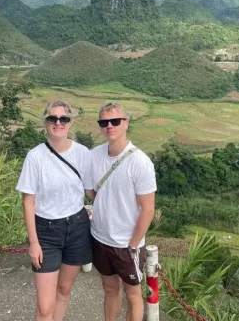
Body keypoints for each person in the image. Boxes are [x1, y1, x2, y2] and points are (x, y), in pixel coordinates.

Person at [15, 100, 93, 321]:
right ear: (45, 123)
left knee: (64, 291)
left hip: (77, 227)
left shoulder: (82, 153)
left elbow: (89, 190)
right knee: (45, 305)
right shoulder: (36, 156)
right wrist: (34, 242)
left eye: (63, 119)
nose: (58, 123)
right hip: (46, 230)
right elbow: (28, 201)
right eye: (52, 118)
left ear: (70, 123)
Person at [86, 102, 157, 321]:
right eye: (104, 122)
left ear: (126, 123)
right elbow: (91, 192)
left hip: (127, 244)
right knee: (109, 288)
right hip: (100, 237)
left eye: (115, 121)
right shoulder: (94, 155)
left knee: (133, 294)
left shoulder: (140, 162)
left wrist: (133, 245)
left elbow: (148, 209)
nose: (110, 126)